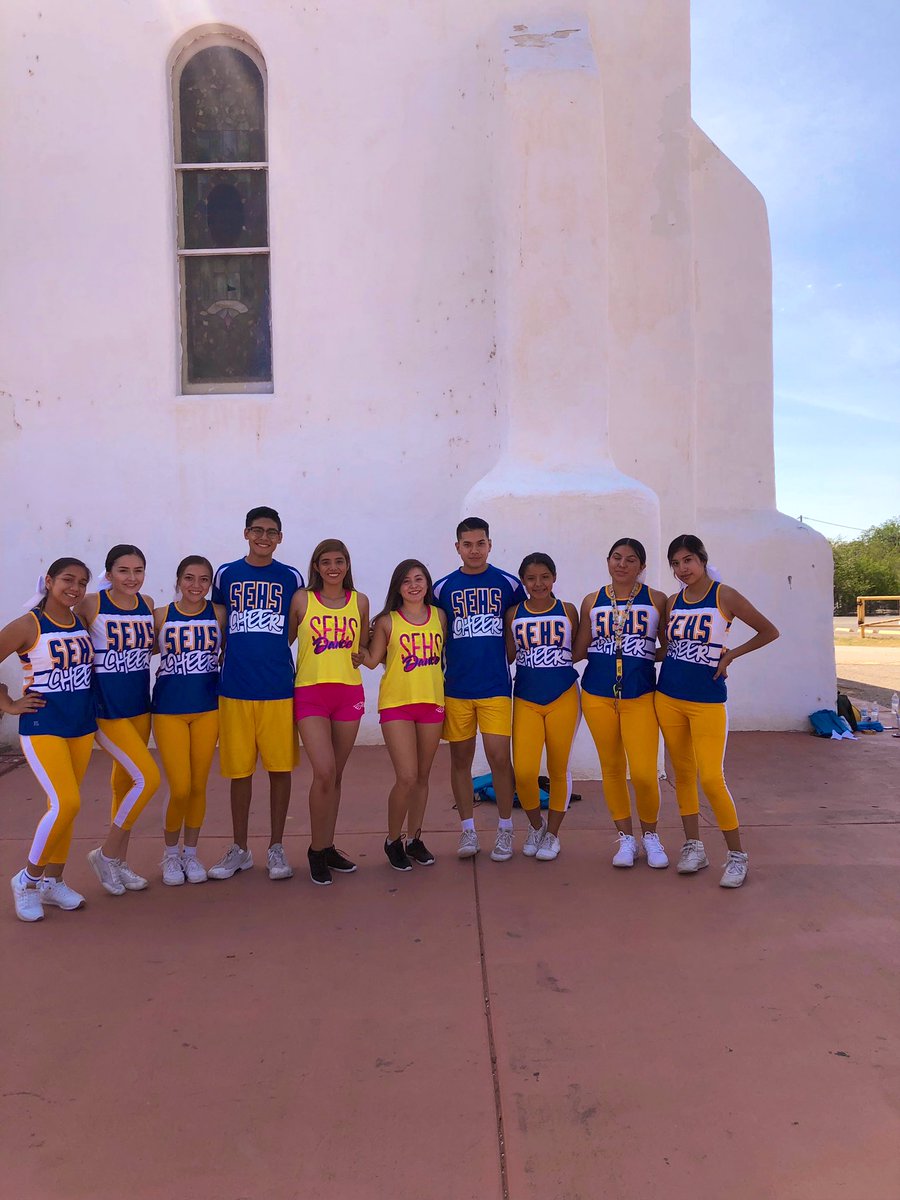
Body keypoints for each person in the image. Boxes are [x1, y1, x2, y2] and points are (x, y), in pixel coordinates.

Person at [656, 534, 779, 888]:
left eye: (688, 560)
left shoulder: (724, 595)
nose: (682, 569)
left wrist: (731, 655)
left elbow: (768, 631)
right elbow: (669, 648)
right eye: (676, 563)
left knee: (711, 778)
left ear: (702, 560)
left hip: (707, 700)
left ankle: (737, 855)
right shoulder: (673, 601)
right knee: (682, 775)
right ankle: (694, 847)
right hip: (668, 697)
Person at [208, 507, 303, 882]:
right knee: (240, 772)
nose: (264, 537)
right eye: (258, 530)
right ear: (246, 533)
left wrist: (271, 652)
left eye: (272, 532)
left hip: (278, 688)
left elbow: (292, 628)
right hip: (235, 688)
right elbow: (219, 624)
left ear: (280, 537)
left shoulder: (291, 577)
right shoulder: (225, 574)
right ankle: (240, 848)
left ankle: (276, 846)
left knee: (280, 770)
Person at [2, 559, 96, 921]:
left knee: (65, 809)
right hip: (43, 725)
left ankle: (53, 882)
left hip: (80, 726)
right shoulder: (29, 624)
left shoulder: (80, 620)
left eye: (82, 582)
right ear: (49, 581)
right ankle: (27, 880)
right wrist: (8, 703)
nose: (75, 588)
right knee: (66, 802)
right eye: (68, 580)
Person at [572, 538, 670, 869]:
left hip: (640, 695)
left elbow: (669, 646)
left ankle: (651, 836)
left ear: (642, 566)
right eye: (616, 557)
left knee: (644, 772)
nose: (622, 564)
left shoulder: (656, 599)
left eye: (631, 560)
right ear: (608, 561)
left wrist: (640, 654)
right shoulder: (592, 600)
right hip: (597, 695)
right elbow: (580, 648)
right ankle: (626, 838)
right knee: (612, 768)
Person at [433, 517, 526, 861]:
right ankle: (467, 830)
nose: (474, 550)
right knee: (460, 760)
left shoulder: (509, 584)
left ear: (490, 544)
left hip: (495, 686)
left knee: (500, 758)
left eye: (480, 543)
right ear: (457, 547)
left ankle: (505, 829)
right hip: (456, 688)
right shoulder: (441, 588)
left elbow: (517, 626)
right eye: (467, 544)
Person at [77, 545, 160, 895]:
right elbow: (61, 632)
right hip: (107, 711)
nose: (131, 577)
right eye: (123, 571)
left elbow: (152, 648)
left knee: (125, 784)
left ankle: (119, 864)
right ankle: (106, 854)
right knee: (149, 778)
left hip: (139, 706)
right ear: (109, 573)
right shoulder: (91, 604)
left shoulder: (148, 604)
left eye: (138, 570)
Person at [355, 559, 447, 871]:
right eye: (406, 581)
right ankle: (393, 839)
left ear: (427, 583)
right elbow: (372, 660)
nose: (413, 585)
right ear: (397, 587)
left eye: (419, 579)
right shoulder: (387, 621)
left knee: (422, 776)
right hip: (397, 705)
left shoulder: (440, 616)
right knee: (406, 776)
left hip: (432, 702)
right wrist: (354, 641)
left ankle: (415, 839)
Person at [290, 539, 369, 885]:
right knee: (323, 771)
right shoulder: (301, 600)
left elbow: (363, 644)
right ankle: (315, 850)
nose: (333, 568)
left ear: (347, 565)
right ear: (316, 566)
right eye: (326, 562)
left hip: (348, 692)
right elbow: (283, 641)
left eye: (339, 561)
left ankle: (328, 846)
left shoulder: (360, 601)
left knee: (336, 775)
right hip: (310, 692)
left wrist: (363, 652)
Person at [152, 556, 226, 885]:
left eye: (203, 579)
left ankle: (191, 853)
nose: (196, 585)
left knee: (198, 785)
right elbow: (133, 650)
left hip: (208, 708)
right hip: (168, 710)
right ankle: (170, 855)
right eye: (189, 578)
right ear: (178, 580)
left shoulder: (219, 614)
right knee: (179, 787)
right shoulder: (161, 615)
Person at [506, 553, 580, 862]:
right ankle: (536, 826)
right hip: (526, 697)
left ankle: (553, 834)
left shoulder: (568, 610)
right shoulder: (514, 613)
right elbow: (508, 655)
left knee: (558, 768)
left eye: (545, 577)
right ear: (523, 581)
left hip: (564, 695)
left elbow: (578, 650)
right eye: (531, 578)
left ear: (554, 577)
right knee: (524, 772)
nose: (538, 584)